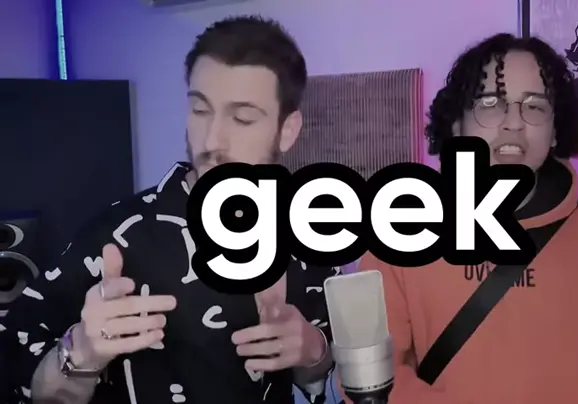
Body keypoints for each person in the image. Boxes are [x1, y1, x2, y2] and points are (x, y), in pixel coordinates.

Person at [350, 33, 578, 403]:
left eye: (535, 106)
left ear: (555, 131)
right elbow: (370, 385)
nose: (514, 123)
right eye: (489, 103)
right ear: (456, 126)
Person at [2, 15, 339, 404]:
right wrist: (81, 352)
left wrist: (313, 351)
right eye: (200, 110)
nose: (211, 140)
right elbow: (23, 378)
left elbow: (325, 372)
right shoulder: (118, 236)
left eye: (242, 118)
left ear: (287, 130)